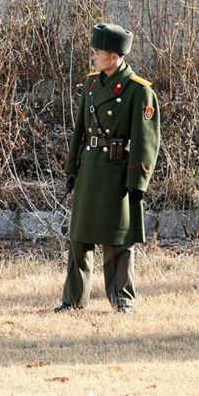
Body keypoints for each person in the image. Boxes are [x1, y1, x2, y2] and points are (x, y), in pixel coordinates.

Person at [54, 23, 161, 314]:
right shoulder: (91, 83)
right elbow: (80, 130)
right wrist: (72, 168)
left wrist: (138, 181)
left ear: (114, 56)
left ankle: (122, 300)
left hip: (117, 171)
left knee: (118, 242)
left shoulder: (139, 90)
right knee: (80, 238)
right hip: (91, 169)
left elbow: (146, 139)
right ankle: (73, 299)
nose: (93, 57)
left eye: (97, 52)